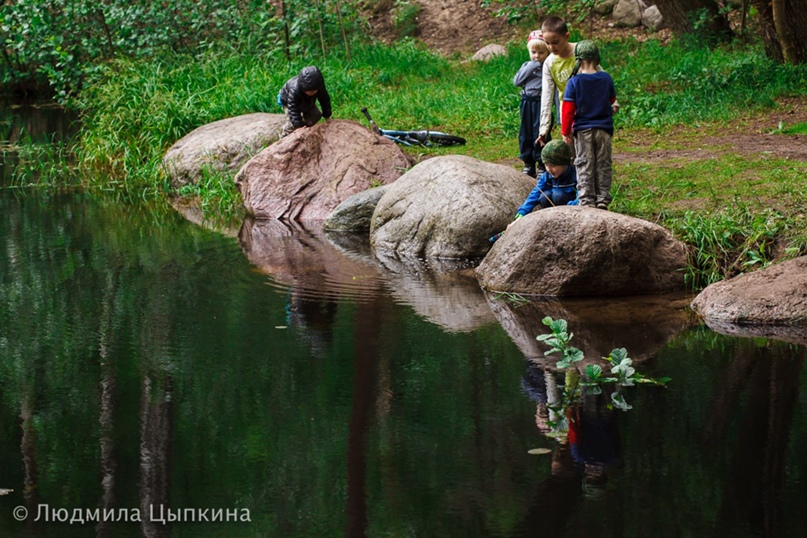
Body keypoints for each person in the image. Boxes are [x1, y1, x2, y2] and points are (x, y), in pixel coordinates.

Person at [536, 17, 618, 151]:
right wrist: (544, 128)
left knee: (596, 150)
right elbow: (547, 96)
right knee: (574, 154)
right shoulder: (549, 63)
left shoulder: (581, 51)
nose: (551, 47)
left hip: (592, 110)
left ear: (566, 36)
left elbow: (602, 76)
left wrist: (613, 102)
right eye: (547, 43)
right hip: (569, 112)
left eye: (555, 42)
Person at [561, 40, 617, 209]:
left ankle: (586, 201)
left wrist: (566, 132)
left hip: (583, 130)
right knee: (603, 164)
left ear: (578, 59)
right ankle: (602, 200)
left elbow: (568, 110)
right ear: (596, 58)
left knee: (584, 163)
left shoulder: (574, 82)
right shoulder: (606, 78)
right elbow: (612, 102)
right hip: (604, 129)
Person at [507, 140, 577, 231]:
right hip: (552, 210)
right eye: (546, 165)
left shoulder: (575, 176)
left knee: (557, 195)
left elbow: (581, 195)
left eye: (553, 165)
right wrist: (521, 214)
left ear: (564, 163)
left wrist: (571, 205)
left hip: (568, 209)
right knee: (544, 196)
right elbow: (534, 194)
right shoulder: (547, 176)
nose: (549, 169)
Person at [513, 32, 551, 178]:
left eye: (541, 53)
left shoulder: (548, 67)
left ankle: (542, 163)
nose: (537, 56)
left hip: (541, 103)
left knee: (540, 132)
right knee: (526, 132)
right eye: (533, 52)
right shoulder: (526, 66)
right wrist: (531, 66)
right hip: (527, 102)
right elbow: (517, 81)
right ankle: (528, 163)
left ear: (547, 52)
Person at [278, 66, 332, 138]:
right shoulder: (294, 90)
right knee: (291, 124)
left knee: (316, 114)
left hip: (307, 100)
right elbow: (292, 108)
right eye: (309, 91)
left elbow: (325, 100)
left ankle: (305, 126)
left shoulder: (320, 88)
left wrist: (327, 116)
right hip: (288, 101)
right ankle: (284, 136)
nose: (312, 92)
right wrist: (297, 125)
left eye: (314, 91)